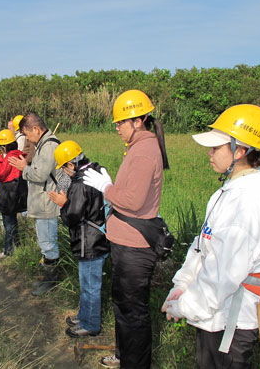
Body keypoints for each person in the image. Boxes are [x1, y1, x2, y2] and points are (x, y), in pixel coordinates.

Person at [161, 104, 260, 369]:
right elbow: (203, 245)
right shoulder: (228, 192)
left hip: (231, 323)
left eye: (216, 148)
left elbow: (224, 275)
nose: (209, 153)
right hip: (214, 317)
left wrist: (185, 307)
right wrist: (182, 284)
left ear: (239, 151)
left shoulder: (250, 202)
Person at [83, 90, 170, 368]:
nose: (117, 128)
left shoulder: (144, 151)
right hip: (125, 244)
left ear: (138, 121)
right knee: (123, 306)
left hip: (134, 248)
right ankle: (124, 356)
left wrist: (105, 188)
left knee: (133, 313)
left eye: (121, 123)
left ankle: (135, 363)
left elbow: (133, 200)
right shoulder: (138, 147)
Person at [48, 140, 110, 338]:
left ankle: (90, 325)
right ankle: (84, 316)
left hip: (89, 242)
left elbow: (72, 217)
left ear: (71, 165)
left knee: (90, 286)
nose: (64, 173)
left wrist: (63, 204)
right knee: (87, 284)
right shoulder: (95, 172)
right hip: (98, 238)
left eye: (64, 168)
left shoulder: (80, 185)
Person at [8, 112, 62, 296]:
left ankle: (52, 280)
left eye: (28, 135)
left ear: (36, 129)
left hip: (47, 203)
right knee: (44, 241)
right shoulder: (43, 144)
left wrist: (24, 168)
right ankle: (48, 277)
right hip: (41, 202)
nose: (28, 139)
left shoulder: (49, 146)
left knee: (48, 243)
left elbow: (40, 175)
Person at [0, 129, 28, 258]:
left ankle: (8, 251)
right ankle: (18, 246)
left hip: (8, 194)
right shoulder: (18, 154)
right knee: (13, 222)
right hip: (16, 193)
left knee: (8, 224)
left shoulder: (9, 157)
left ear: (3, 146)